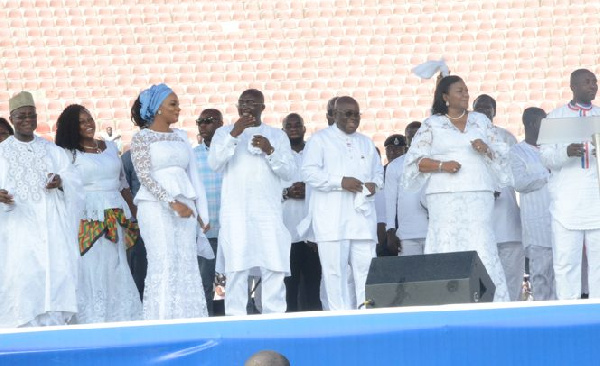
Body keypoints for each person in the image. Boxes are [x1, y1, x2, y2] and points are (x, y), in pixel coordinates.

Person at [402, 75, 510, 302]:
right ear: (445, 97)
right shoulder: (431, 124)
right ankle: (444, 299)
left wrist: (486, 149)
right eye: (459, 91)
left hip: (478, 192)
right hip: (443, 196)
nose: (466, 94)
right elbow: (414, 162)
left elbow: (502, 153)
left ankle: (491, 300)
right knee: (446, 243)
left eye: (466, 90)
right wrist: (442, 165)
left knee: (481, 242)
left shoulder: (480, 121)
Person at [208, 89, 295, 316]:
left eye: (253, 102)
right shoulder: (223, 132)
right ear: (237, 107)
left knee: (273, 266)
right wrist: (234, 134)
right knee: (236, 268)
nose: (247, 106)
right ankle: (235, 318)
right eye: (243, 102)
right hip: (236, 214)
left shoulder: (277, 135)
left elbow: (289, 173)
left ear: (262, 107)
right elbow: (215, 163)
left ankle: (274, 317)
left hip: (268, 213)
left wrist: (270, 150)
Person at [0, 91, 82, 327]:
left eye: (32, 115)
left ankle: (53, 328)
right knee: (23, 279)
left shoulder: (51, 150)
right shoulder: (2, 151)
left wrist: (61, 181)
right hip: (17, 229)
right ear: (12, 118)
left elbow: (72, 178)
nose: (27, 120)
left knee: (54, 275)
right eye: (21, 115)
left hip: (51, 228)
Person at [54, 104, 142, 323]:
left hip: (116, 214)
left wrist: (135, 212)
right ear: (71, 128)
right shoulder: (67, 153)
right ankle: (93, 319)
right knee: (92, 267)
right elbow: (63, 184)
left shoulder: (110, 148)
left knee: (117, 265)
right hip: (88, 217)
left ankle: (121, 318)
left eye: (89, 119)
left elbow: (123, 184)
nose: (88, 125)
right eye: (81, 122)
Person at [130, 83, 211, 319]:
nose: (178, 109)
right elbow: (145, 176)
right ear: (157, 108)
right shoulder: (142, 139)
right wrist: (171, 202)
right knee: (164, 262)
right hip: (156, 206)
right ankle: (162, 319)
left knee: (185, 262)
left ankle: (189, 318)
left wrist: (201, 214)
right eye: (173, 104)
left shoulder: (181, 137)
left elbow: (193, 174)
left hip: (186, 207)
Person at [301, 96, 384, 311]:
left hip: (362, 220)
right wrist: (340, 182)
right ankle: (340, 318)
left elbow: (378, 172)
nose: (353, 118)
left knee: (366, 271)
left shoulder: (366, 142)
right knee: (334, 274)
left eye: (356, 114)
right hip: (332, 221)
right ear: (333, 115)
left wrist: (374, 184)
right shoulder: (319, 140)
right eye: (347, 113)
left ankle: (366, 316)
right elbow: (309, 172)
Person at [540, 68, 600, 300]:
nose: (593, 86)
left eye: (595, 82)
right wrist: (566, 152)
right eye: (587, 82)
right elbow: (545, 157)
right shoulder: (555, 117)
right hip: (567, 201)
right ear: (572, 86)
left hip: (596, 200)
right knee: (566, 262)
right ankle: (568, 310)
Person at [474, 94, 525, 301]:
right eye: (480, 108)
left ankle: (513, 309)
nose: (484, 112)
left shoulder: (506, 137)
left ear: (494, 112)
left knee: (511, 271)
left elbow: (515, 171)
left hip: (506, 215)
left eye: (488, 108)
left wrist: (498, 186)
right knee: (484, 273)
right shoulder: (466, 137)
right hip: (480, 215)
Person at [510, 107, 556, 300]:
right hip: (536, 226)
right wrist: (546, 174)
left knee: (559, 274)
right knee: (540, 276)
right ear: (531, 124)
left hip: (559, 221)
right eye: (542, 122)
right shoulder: (517, 152)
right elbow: (519, 182)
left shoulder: (552, 148)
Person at [281, 113, 322, 312]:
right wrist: (287, 192)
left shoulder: (314, 154)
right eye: (289, 125)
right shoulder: (277, 157)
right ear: (283, 130)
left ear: (304, 129)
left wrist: (309, 190)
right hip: (287, 233)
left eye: (298, 125)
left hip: (312, 234)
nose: (294, 128)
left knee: (314, 288)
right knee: (290, 288)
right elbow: (267, 192)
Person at [194, 108, 224, 316]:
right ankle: (207, 324)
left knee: (225, 287)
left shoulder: (232, 152)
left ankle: (227, 325)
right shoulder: (193, 155)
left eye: (208, 121)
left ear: (221, 125)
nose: (203, 125)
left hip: (228, 233)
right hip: (204, 234)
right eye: (200, 121)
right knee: (204, 285)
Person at [386, 130, 428, 256]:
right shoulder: (395, 165)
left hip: (433, 232)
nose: (415, 138)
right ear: (407, 139)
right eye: (411, 136)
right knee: (409, 275)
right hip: (406, 234)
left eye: (419, 134)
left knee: (436, 275)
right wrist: (390, 230)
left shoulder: (437, 161)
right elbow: (390, 200)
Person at [121, 127, 148, 300]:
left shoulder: (167, 154)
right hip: (138, 224)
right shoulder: (128, 158)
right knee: (140, 271)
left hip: (165, 220)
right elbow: (125, 189)